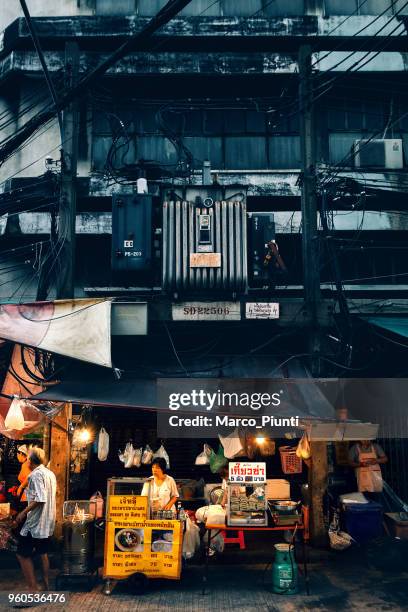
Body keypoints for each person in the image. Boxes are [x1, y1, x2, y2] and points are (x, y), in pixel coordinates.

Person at [14, 447, 57, 592]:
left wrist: (22, 513)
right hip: (46, 521)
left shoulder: (35, 475)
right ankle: (45, 585)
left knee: (22, 554)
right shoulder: (50, 473)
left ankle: (32, 589)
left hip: (36, 523)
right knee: (42, 552)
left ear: (30, 460)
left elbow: (41, 499)